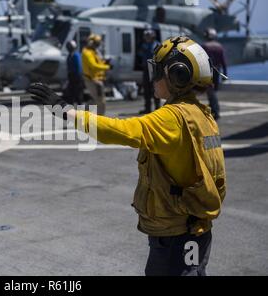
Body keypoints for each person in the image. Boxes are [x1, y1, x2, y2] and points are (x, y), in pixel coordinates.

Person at [28, 36, 227, 276]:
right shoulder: (204, 115)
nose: (153, 77)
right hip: (197, 229)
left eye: (158, 71)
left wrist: (65, 110)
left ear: (177, 76)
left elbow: (119, 131)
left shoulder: (172, 118)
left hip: (176, 234)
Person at [202, 28, 227, 120]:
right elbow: (223, 62)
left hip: (208, 71)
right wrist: (225, 74)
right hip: (217, 71)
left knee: (210, 92)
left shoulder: (205, 46)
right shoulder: (219, 46)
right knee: (213, 91)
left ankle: (215, 111)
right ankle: (213, 109)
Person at [81, 34, 110, 115]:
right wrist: (107, 67)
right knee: (101, 102)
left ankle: (81, 113)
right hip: (92, 80)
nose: (97, 45)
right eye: (96, 43)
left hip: (96, 80)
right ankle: (100, 120)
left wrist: (105, 63)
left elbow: (98, 63)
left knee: (95, 100)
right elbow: (93, 66)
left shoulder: (94, 51)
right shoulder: (87, 52)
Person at [138, 29, 161, 114]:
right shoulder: (144, 45)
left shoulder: (157, 44)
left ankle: (157, 107)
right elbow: (140, 54)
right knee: (146, 89)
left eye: (148, 36)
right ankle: (147, 108)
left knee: (155, 87)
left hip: (153, 67)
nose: (146, 38)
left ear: (152, 37)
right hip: (146, 68)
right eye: (146, 36)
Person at [64, 40, 84, 105]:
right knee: (70, 96)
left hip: (77, 78)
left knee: (78, 96)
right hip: (71, 77)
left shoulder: (76, 55)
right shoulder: (70, 55)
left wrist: (76, 77)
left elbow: (78, 68)